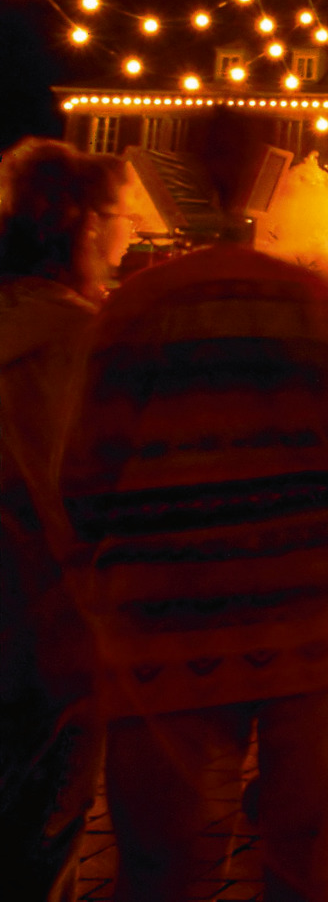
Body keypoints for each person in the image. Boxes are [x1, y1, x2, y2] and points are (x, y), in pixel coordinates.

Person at [61, 115, 328, 901]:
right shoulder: (307, 303)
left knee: (163, 857)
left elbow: (87, 471)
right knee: (307, 853)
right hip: (303, 618)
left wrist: (89, 585)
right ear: (266, 181)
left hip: (166, 619)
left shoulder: (138, 306)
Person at [0, 141, 136, 902]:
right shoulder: (81, 343)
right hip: (50, 628)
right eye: (119, 215)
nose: (129, 230)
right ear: (84, 225)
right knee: (44, 830)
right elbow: (85, 493)